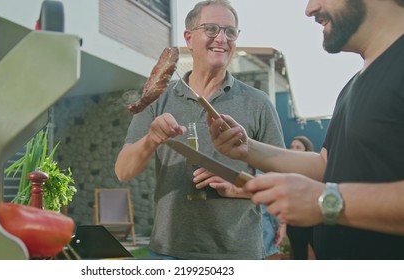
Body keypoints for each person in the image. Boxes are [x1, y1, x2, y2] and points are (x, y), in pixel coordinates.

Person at [207, 0, 404, 259]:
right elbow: (326, 165)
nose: (309, 9)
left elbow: (326, 191)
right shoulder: (352, 85)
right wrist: (247, 149)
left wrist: (327, 201)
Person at [115, 0, 285, 259]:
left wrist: (241, 189)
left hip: (239, 254)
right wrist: (151, 138)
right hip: (170, 253)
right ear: (189, 38)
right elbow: (123, 171)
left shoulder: (257, 102)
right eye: (211, 29)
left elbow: (283, 179)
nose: (222, 38)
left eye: (230, 32)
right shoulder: (158, 98)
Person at [287, 136, 316, 260]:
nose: (294, 149)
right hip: (294, 220)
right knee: (298, 255)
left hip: (315, 219)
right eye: (292, 147)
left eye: (298, 147)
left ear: (307, 152)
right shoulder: (285, 171)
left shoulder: (316, 171)